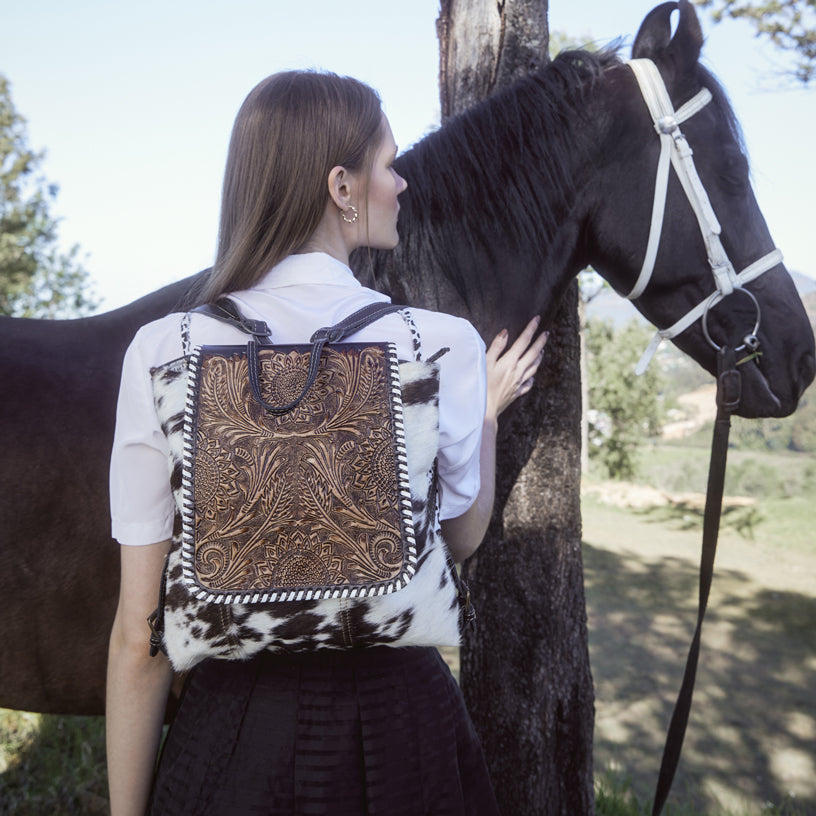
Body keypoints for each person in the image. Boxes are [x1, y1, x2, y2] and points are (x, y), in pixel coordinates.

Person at [106, 70, 547, 816]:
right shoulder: (440, 345)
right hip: (405, 734)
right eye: (388, 164)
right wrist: (488, 417)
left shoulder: (163, 351)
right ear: (341, 187)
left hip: (231, 735)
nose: (402, 183)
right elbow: (461, 540)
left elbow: (136, 635)